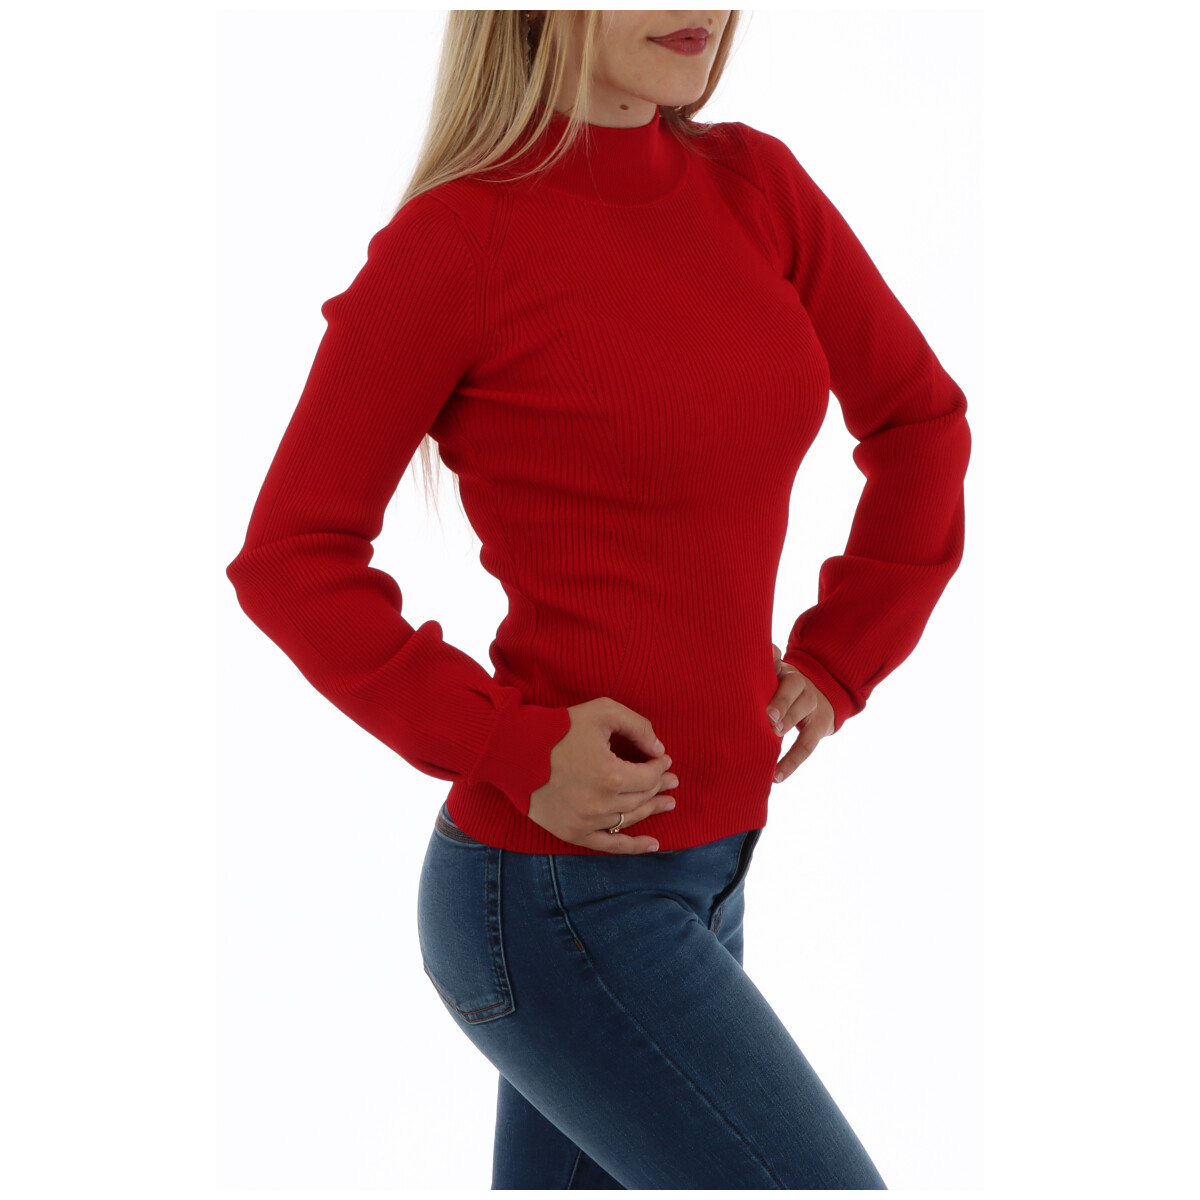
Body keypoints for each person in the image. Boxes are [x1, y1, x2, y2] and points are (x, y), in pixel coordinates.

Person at [225, 9, 970, 1189]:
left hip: (714, 869)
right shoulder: (460, 240)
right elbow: (291, 557)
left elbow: (921, 424)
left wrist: (844, 654)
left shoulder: (757, 188)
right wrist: (506, 743)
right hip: (556, 900)